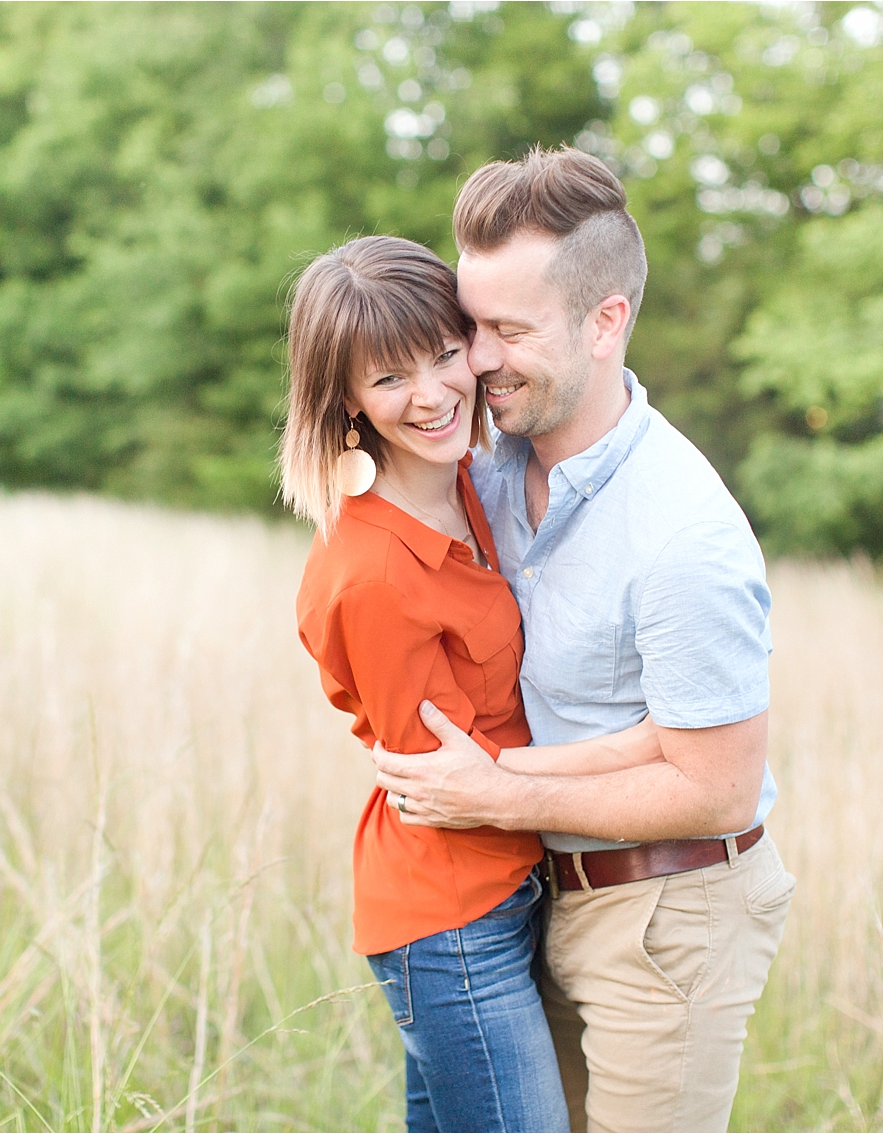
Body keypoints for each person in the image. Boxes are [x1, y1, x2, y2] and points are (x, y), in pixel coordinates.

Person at [370, 148, 796, 1134]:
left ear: (605, 323)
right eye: (467, 326)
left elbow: (718, 783)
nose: (474, 360)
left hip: (669, 910)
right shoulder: (477, 464)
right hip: (530, 898)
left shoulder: (682, 533)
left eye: (508, 331)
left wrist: (500, 789)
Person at [279, 234, 662, 1134]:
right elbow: (447, 782)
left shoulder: (479, 489)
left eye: (444, 354)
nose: (431, 393)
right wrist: (655, 748)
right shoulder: (370, 568)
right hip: (450, 924)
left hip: (511, 890)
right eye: (387, 379)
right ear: (344, 401)